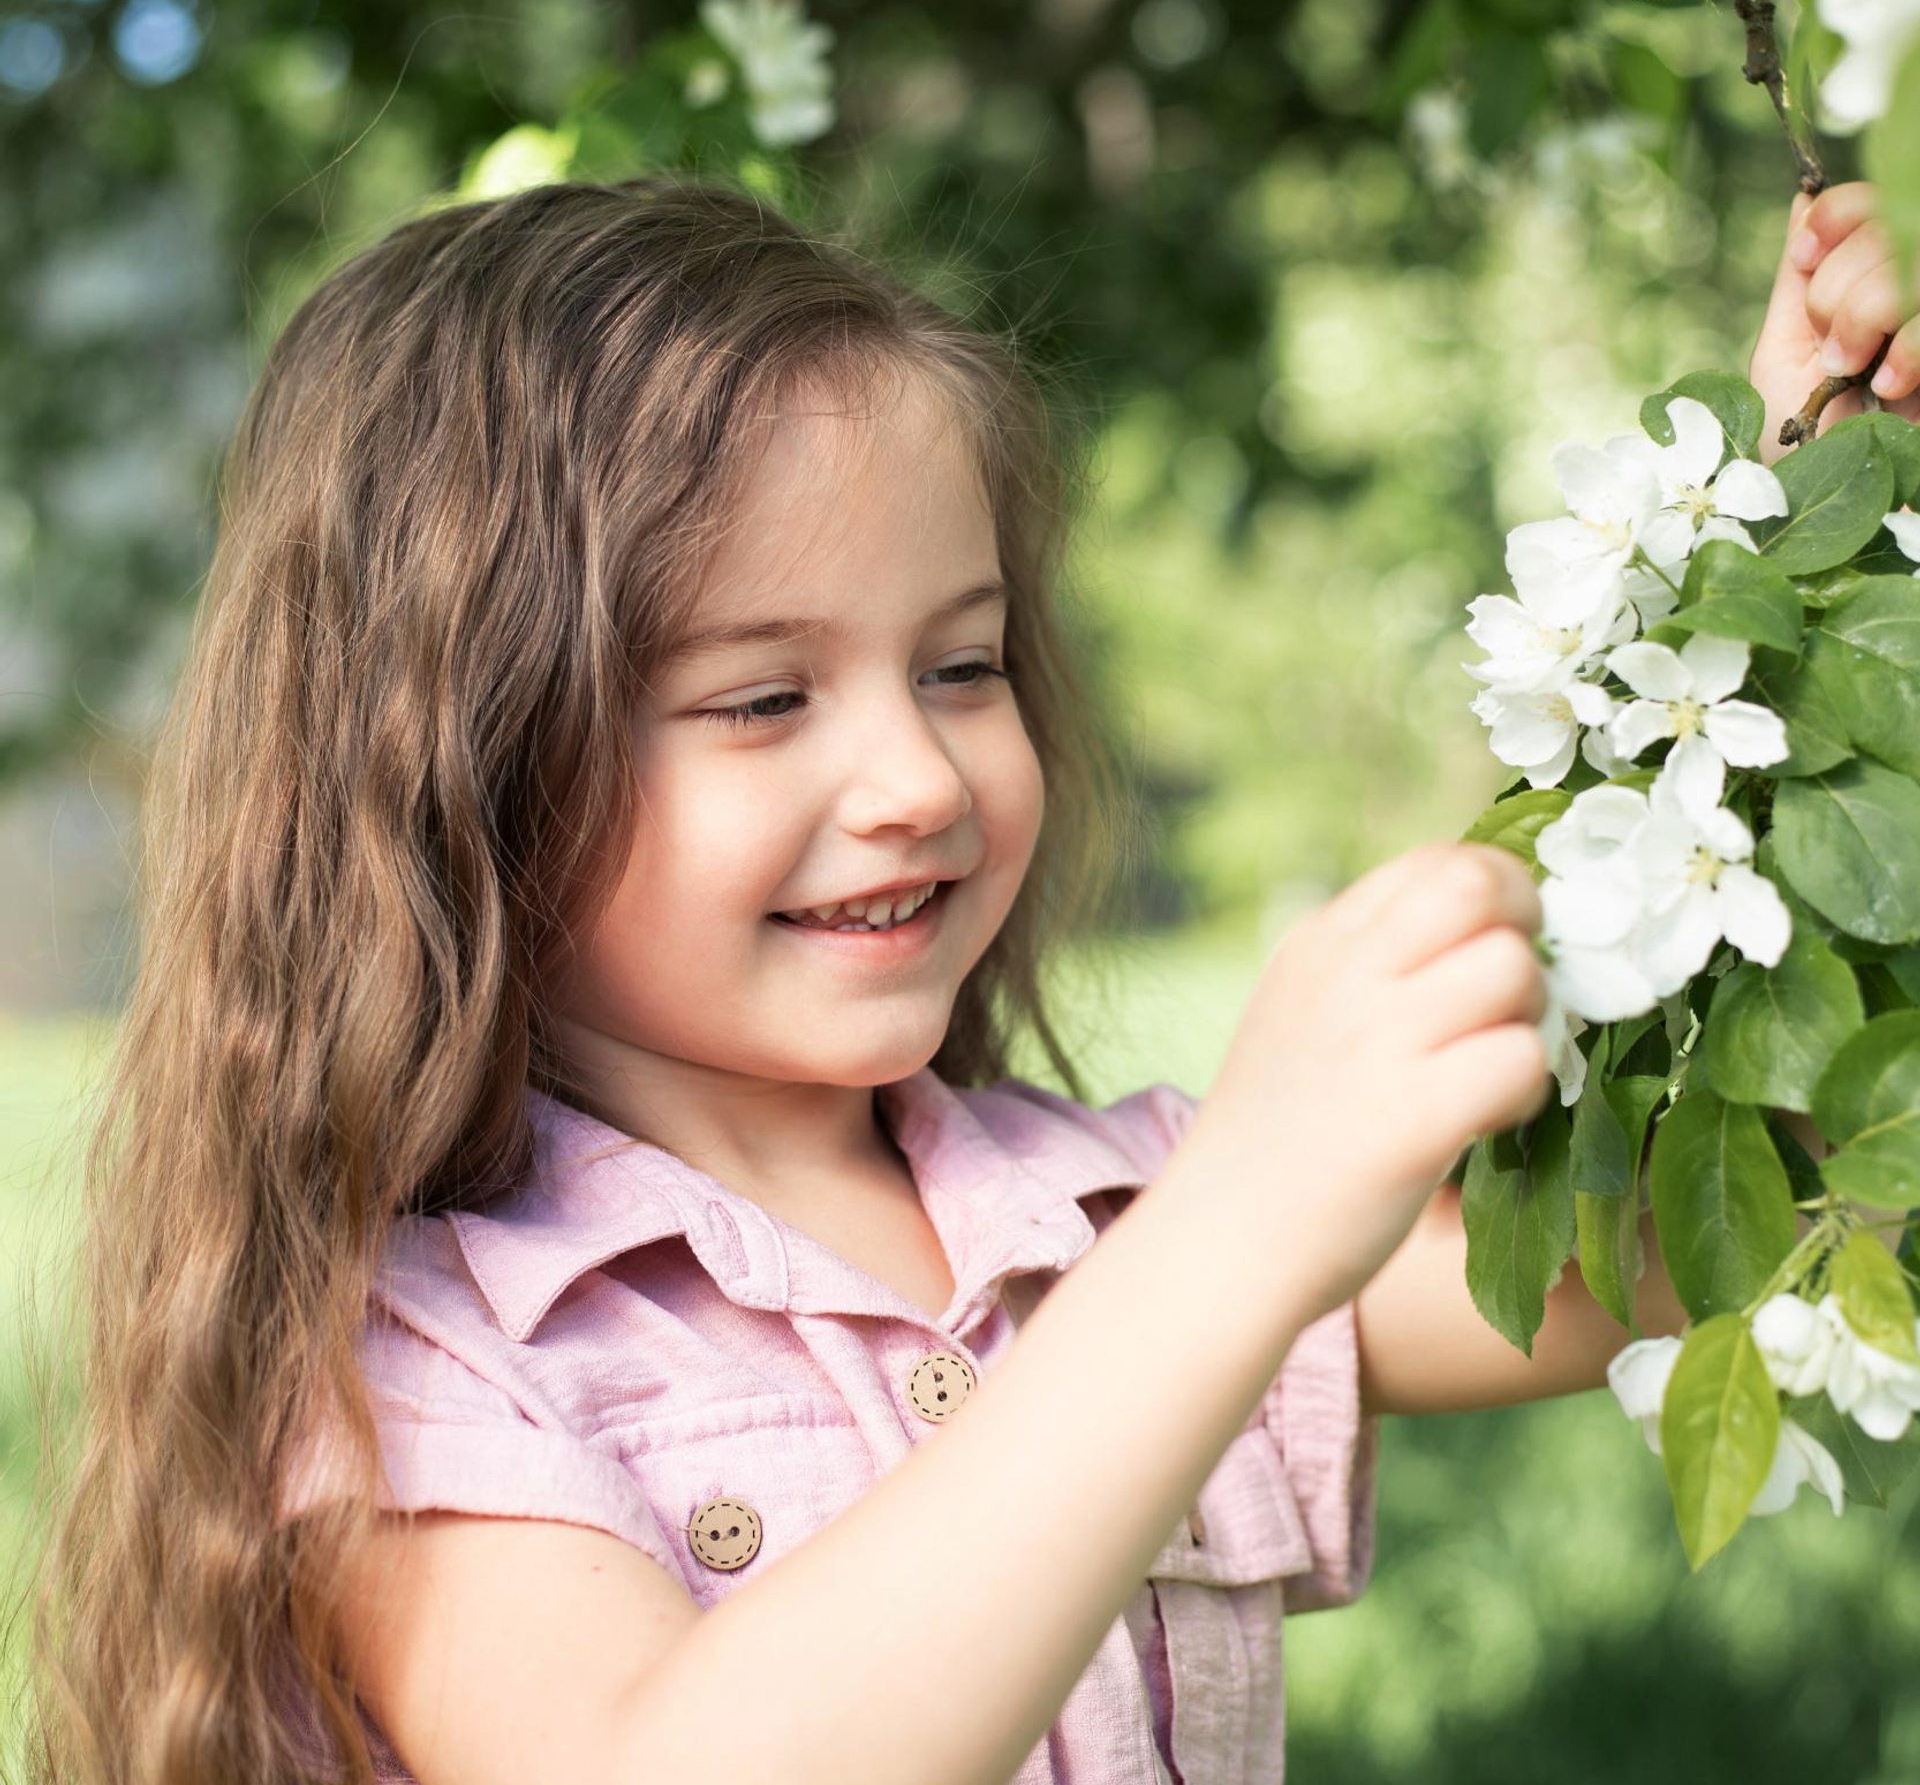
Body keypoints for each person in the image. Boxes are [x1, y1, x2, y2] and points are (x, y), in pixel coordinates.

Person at [21, 171, 1915, 1785]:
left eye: (961, 665)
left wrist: (1801, 533)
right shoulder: (415, 1374)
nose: (920, 779)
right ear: (469, 765)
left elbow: (1722, 1232)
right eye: (764, 698)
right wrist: (1238, 1227)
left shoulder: (1091, 1214)